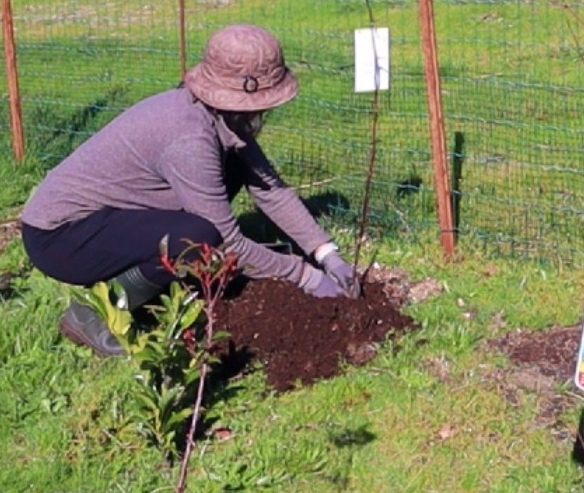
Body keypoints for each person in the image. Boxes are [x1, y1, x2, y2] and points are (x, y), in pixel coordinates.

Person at [21, 24, 359, 356]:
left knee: (216, 201)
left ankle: (151, 280)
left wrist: (326, 254)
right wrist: (305, 277)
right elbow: (228, 241)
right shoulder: (189, 140)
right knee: (199, 236)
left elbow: (269, 188)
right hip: (61, 237)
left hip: (106, 218)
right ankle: (98, 310)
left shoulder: (220, 118)